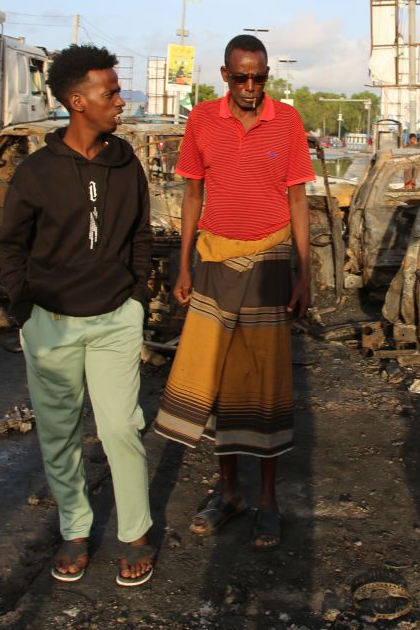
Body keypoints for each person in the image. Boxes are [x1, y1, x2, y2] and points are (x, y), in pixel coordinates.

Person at [0, 44, 156, 587]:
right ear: (76, 101)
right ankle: (75, 528)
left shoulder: (125, 162)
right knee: (59, 434)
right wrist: (23, 309)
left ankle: (134, 532)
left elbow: (140, 236)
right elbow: (11, 244)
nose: (120, 102)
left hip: (114, 319)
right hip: (51, 323)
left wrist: (136, 299)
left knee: (121, 428)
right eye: (110, 93)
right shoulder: (37, 172)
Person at [153, 33, 314, 552]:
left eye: (259, 78)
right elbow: (192, 196)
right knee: (217, 381)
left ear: (268, 76)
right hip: (214, 261)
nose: (250, 87)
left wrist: (305, 273)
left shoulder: (287, 121)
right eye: (241, 77)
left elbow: (297, 201)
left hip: (270, 261)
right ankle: (229, 493)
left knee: (264, 384)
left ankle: (267, 500)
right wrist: (183, 267)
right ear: (224, 75)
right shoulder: (201, 120)